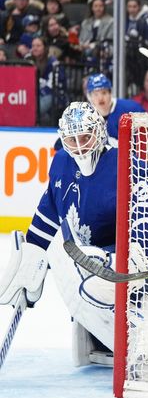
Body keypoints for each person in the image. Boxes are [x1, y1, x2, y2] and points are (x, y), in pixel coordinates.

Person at [0, 102, 118, 366]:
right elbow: (49, 208)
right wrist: (32, 253)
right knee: (78, 282)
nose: (79, 146)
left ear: (99, 133)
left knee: (99, 288)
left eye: (85, 137)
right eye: (71, 139)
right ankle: (96, 336)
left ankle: (136, 334)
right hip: (86, 254)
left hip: (119, 258)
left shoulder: (120, 164)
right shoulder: (62, 162)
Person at [85, 72, 145, 142]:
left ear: (110, 93)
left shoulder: (131, 108)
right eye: (96, 94)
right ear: (89, 97)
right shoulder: (87, 117)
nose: (100, 98)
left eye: (104, 93)